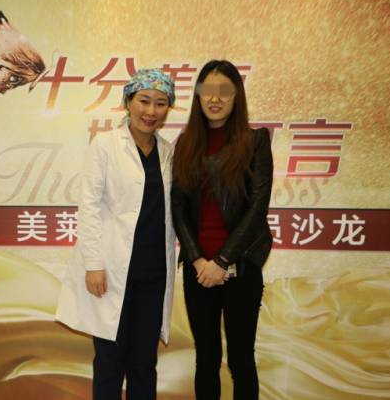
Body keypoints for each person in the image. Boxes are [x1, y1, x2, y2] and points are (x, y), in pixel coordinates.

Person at [56, 69, 177, 400]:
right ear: (128, 101)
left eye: (161, 103)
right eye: (144, 101)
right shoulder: (106, 145)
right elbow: (89, 206)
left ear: (168, 109)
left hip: (154, 274)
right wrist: (93, 264)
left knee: (144, 363)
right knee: (110, 361)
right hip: (111, 272)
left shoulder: (168, 152)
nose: (151, 111)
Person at [171, 59, 273, 400]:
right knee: (206, 358)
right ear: (198, 95)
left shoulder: (255, 141)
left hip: (241, 266)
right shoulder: (186, 144)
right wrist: (198, 260)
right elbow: (178, 208)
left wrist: (223, 260)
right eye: (208, 91)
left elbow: (258, 208)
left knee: (241, 359)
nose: (215, 99)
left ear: (236, 95)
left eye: (224, 91)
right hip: (199, 271)